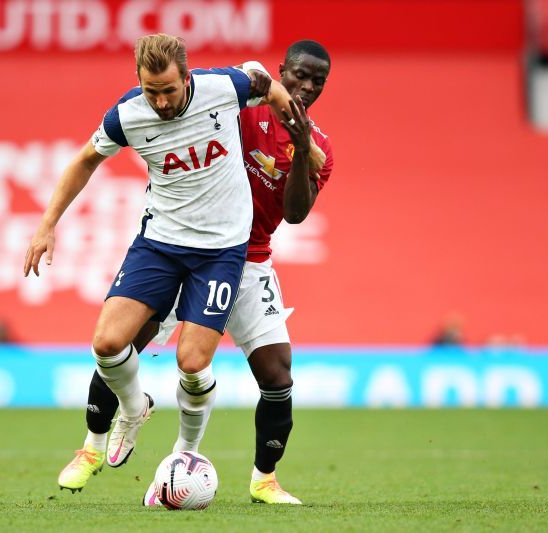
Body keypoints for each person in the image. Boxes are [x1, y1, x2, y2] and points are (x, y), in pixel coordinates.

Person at [58, 40, 334, 506]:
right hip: (183, 247)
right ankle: (93, 442)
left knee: (277, 373)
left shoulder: (319, 146)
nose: (305, 87)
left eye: (317, 82)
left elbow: (296, 216)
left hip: (246, 259)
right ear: (282, 71)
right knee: (122, 340)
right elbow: (233, 80)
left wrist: (302, 145)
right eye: (299, 76)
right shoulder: (240, 109)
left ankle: (263, 479)